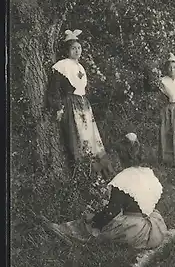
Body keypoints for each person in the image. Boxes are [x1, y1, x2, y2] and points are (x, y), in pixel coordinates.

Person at [42, 135, 168, 250]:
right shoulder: (148, 173)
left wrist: (94, 220)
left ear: (122, 156)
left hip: (137, 231)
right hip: (157, 228)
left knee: (95, 224)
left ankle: (67, 231)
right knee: (105, 218)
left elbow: (111, 212)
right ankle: (73, 231)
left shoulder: (123, 178)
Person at [48, 29, 112, 178]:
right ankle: (84, 175)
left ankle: (99, 172)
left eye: (79, 48)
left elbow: (83, 87)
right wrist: (58, 107)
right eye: (73, 48)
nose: (77, 51)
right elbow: (54, 89)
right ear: (67, 50)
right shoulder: (61, 66)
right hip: (71, 105)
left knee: (91, 138)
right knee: (78, 139)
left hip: (84, 105)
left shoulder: (80, 67)